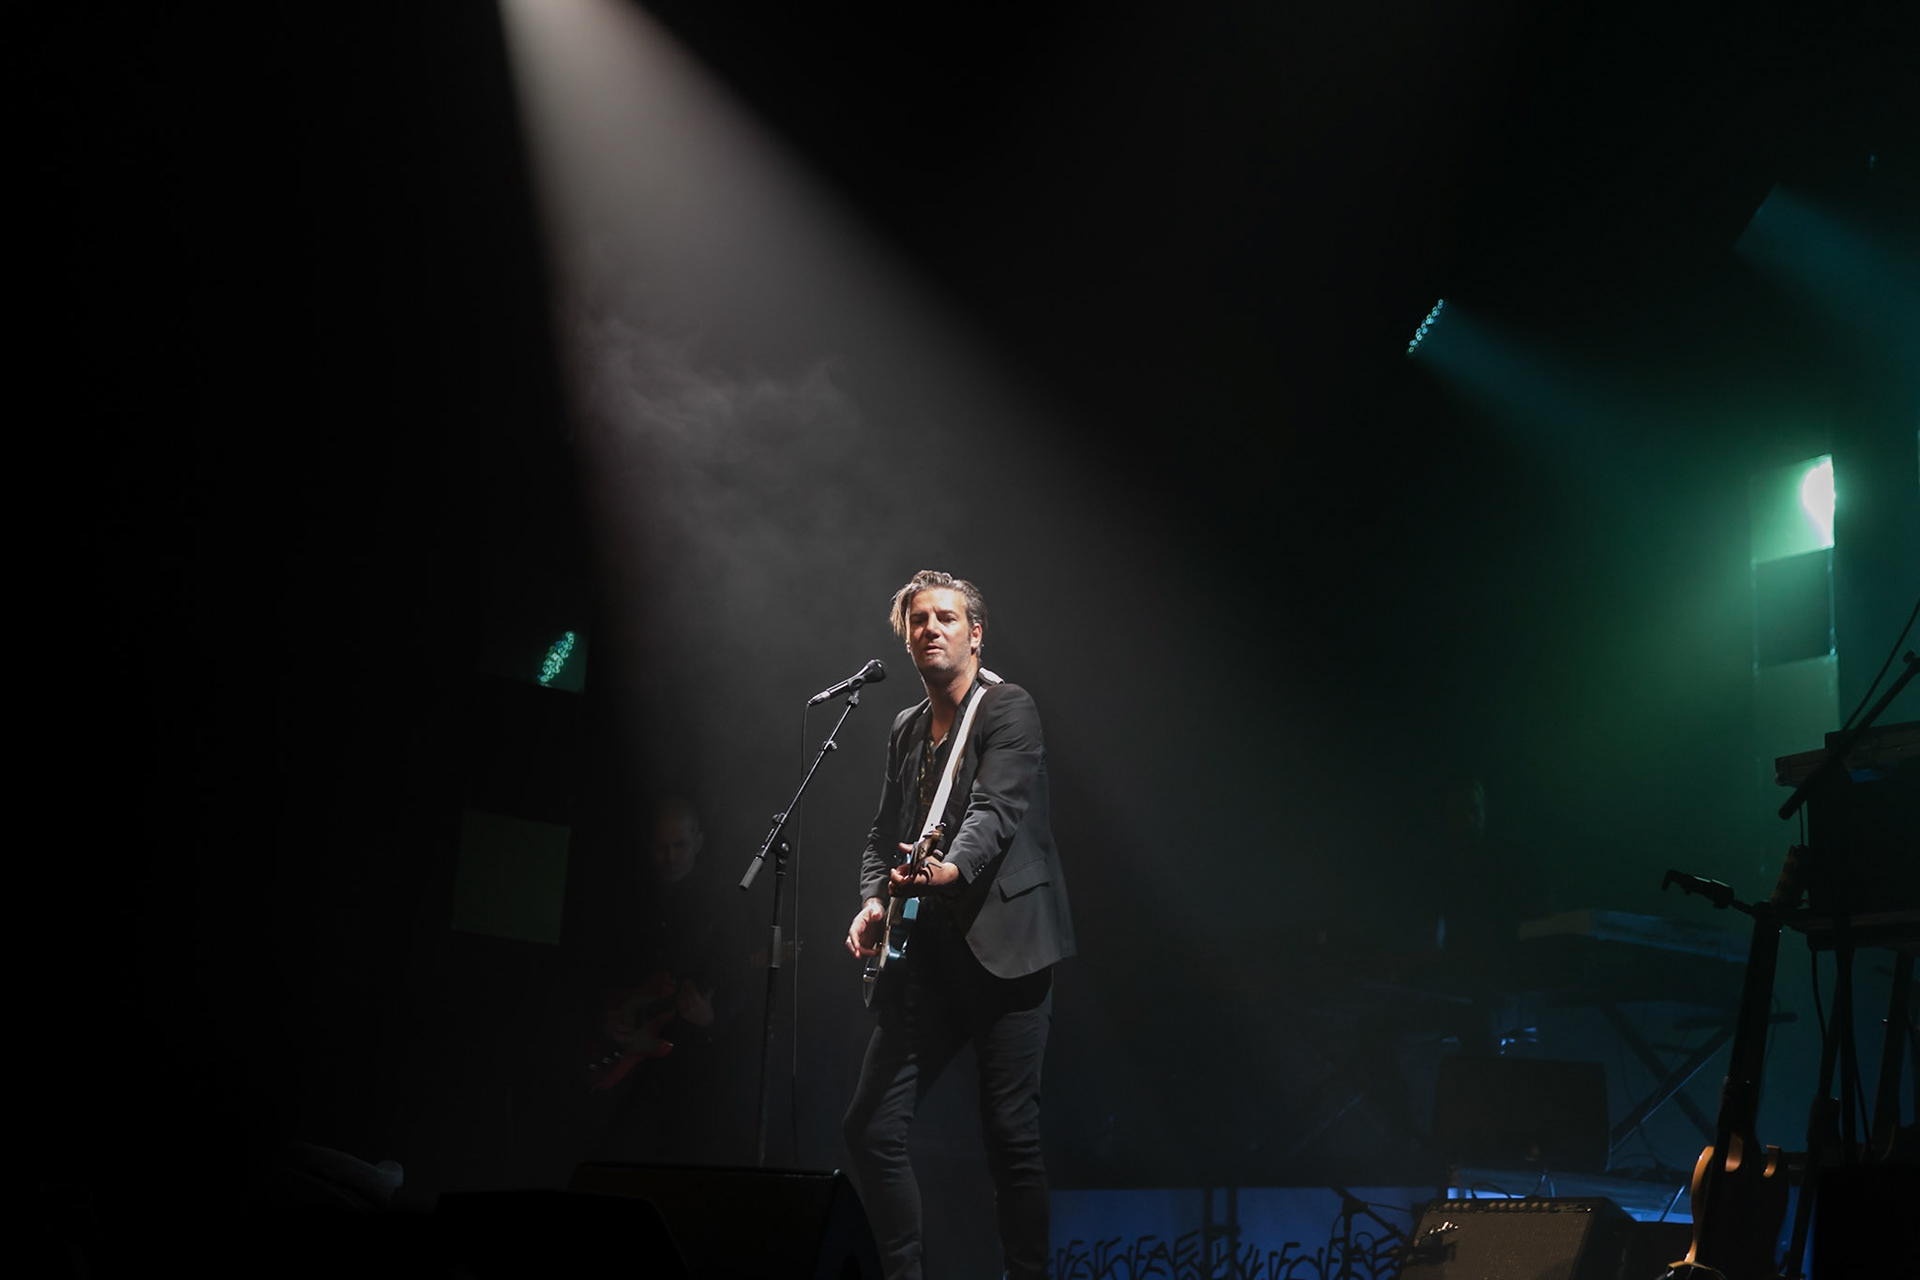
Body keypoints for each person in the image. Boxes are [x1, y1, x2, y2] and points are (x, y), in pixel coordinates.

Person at [843, 569, 1075, 1280]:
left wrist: (945, 871)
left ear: (975, 634)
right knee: (870, 1129)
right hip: (929, 957)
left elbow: (995, 816)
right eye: (918, 621)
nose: (930, 630)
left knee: (1011, 1138)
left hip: (1009, 950)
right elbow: (884, 834)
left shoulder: (1009, 709)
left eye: (946, 618)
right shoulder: (906, 728)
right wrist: (875, 900)